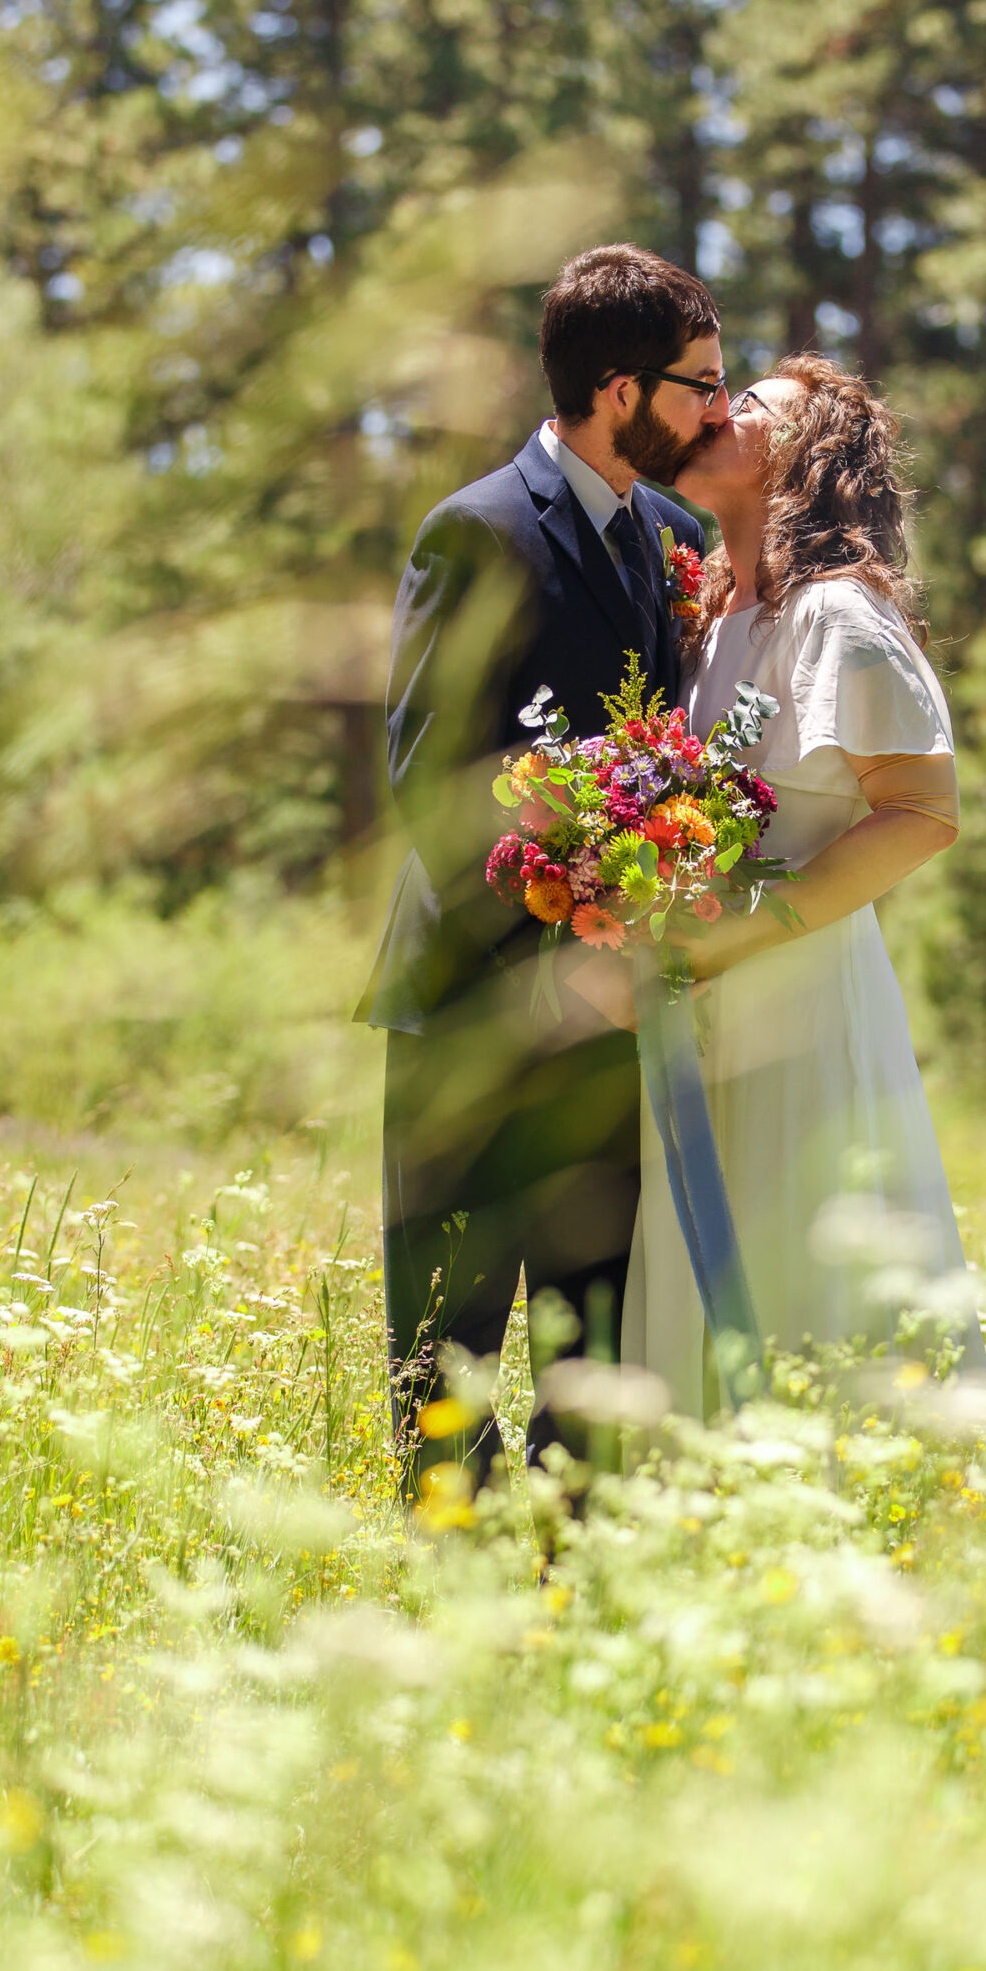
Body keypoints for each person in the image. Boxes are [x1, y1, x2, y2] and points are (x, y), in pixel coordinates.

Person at [358, 244, 724, 1503]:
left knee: (599, 1312)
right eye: (699, 384)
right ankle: (451, 1547)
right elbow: (430, 774)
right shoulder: (478, 529)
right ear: (621, 390)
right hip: (473, 986)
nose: (716, 412)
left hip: (616, 1009)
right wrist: (572, 905)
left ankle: (575, 1551)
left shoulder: (677, 536)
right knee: (449, 1316)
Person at [612, 352, 986, 1412]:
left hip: (803, 998)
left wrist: (748, 929)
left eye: (757, 407)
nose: (719, 411)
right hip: (701, 1005)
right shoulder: (716, 618)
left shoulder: (836, 614)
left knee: (801, 1270)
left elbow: (923, 813)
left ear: (810, 458)